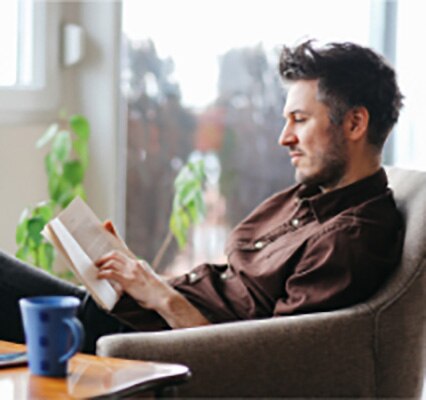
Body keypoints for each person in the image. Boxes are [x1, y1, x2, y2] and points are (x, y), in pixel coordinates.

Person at [0, 40, 404, 353]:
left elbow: (260, 358)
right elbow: (233, 294)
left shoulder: (352, 238)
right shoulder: (314, 196)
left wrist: (158, 294)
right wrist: (142, 277)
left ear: (355, 123)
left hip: (140, 341)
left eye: (299, 119)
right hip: (136, 317)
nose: (285, 138)